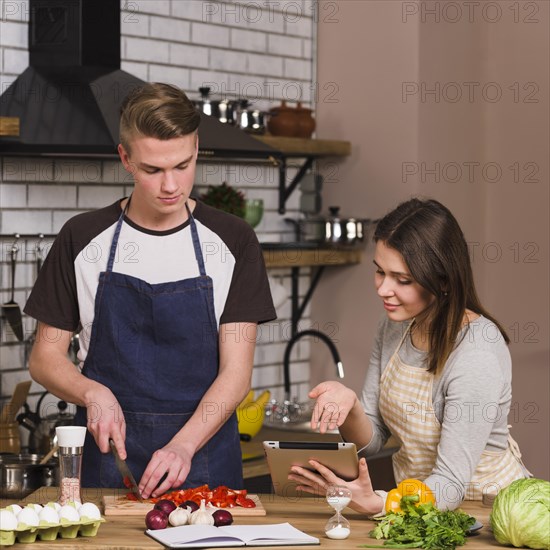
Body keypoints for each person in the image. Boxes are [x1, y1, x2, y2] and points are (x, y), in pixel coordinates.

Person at [24, 83, 276, 499]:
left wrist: (183, 445)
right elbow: (44, 358)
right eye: (152, 170)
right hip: (108, 458)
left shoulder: (233, 240)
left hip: (204, 456)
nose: (170, 185)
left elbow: (236, 372)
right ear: (125, 158)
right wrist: (92, 391)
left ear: (197, 147)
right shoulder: (81, 238)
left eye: (183, 165)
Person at [289, 198, 530, 513]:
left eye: (402, 280)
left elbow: (449, 485)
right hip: (415, 511)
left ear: (441, 280)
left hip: (486, 514)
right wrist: (349, 406)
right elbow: (373, 439)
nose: (383, 289)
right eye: (380, 272)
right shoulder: (393, 327)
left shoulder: (477, 353)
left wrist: (376, 502)